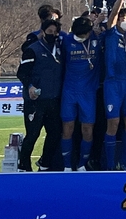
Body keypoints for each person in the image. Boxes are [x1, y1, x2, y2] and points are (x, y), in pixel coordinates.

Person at [16, 18, 63, 171]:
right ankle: (24, 164)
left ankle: (45, 163)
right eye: (50, 32)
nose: (53, 35)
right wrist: (29, 86)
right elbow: (22, 72)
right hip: (35, 101)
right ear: (42, 32)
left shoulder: (59, 49)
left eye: (56, 32)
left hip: (53, 100)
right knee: (33, 134)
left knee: (54, 133)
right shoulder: (33, 49)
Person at [59, 15, 103, 171]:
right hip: (69, 92)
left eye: (83, 35)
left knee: (87, 130)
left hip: (88, 93)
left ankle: (82, 164)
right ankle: (66, 166)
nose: (81, 37)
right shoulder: (66, 41)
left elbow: (111, 25)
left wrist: (97, 21)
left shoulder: (96, 39)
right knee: (67, 129)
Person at [103, 0, 126, 170]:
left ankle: (124, 162)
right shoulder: (110, 33)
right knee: (113, 123)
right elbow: (114, 13)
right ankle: (110, 165)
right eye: (123, 19)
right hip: (112, 83)